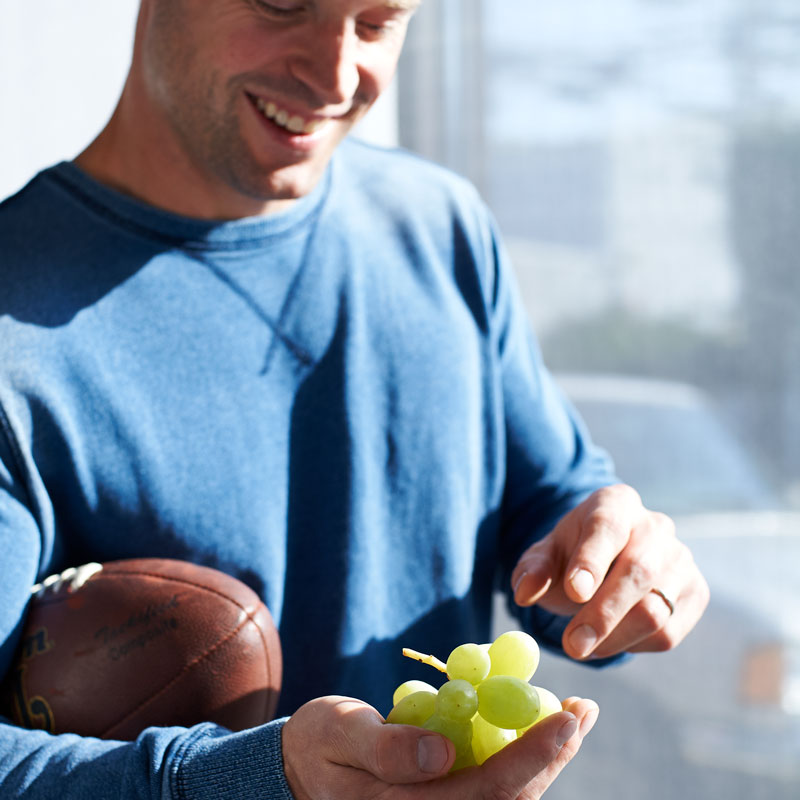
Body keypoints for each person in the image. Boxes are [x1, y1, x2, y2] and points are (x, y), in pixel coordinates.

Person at [0, 0, 710, 797]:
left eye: (376, 22)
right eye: (283, 5)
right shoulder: (13, 331)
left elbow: (548, 505)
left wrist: (616, 571)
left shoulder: (439, 227)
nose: (336, 75)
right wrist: (257, 781)